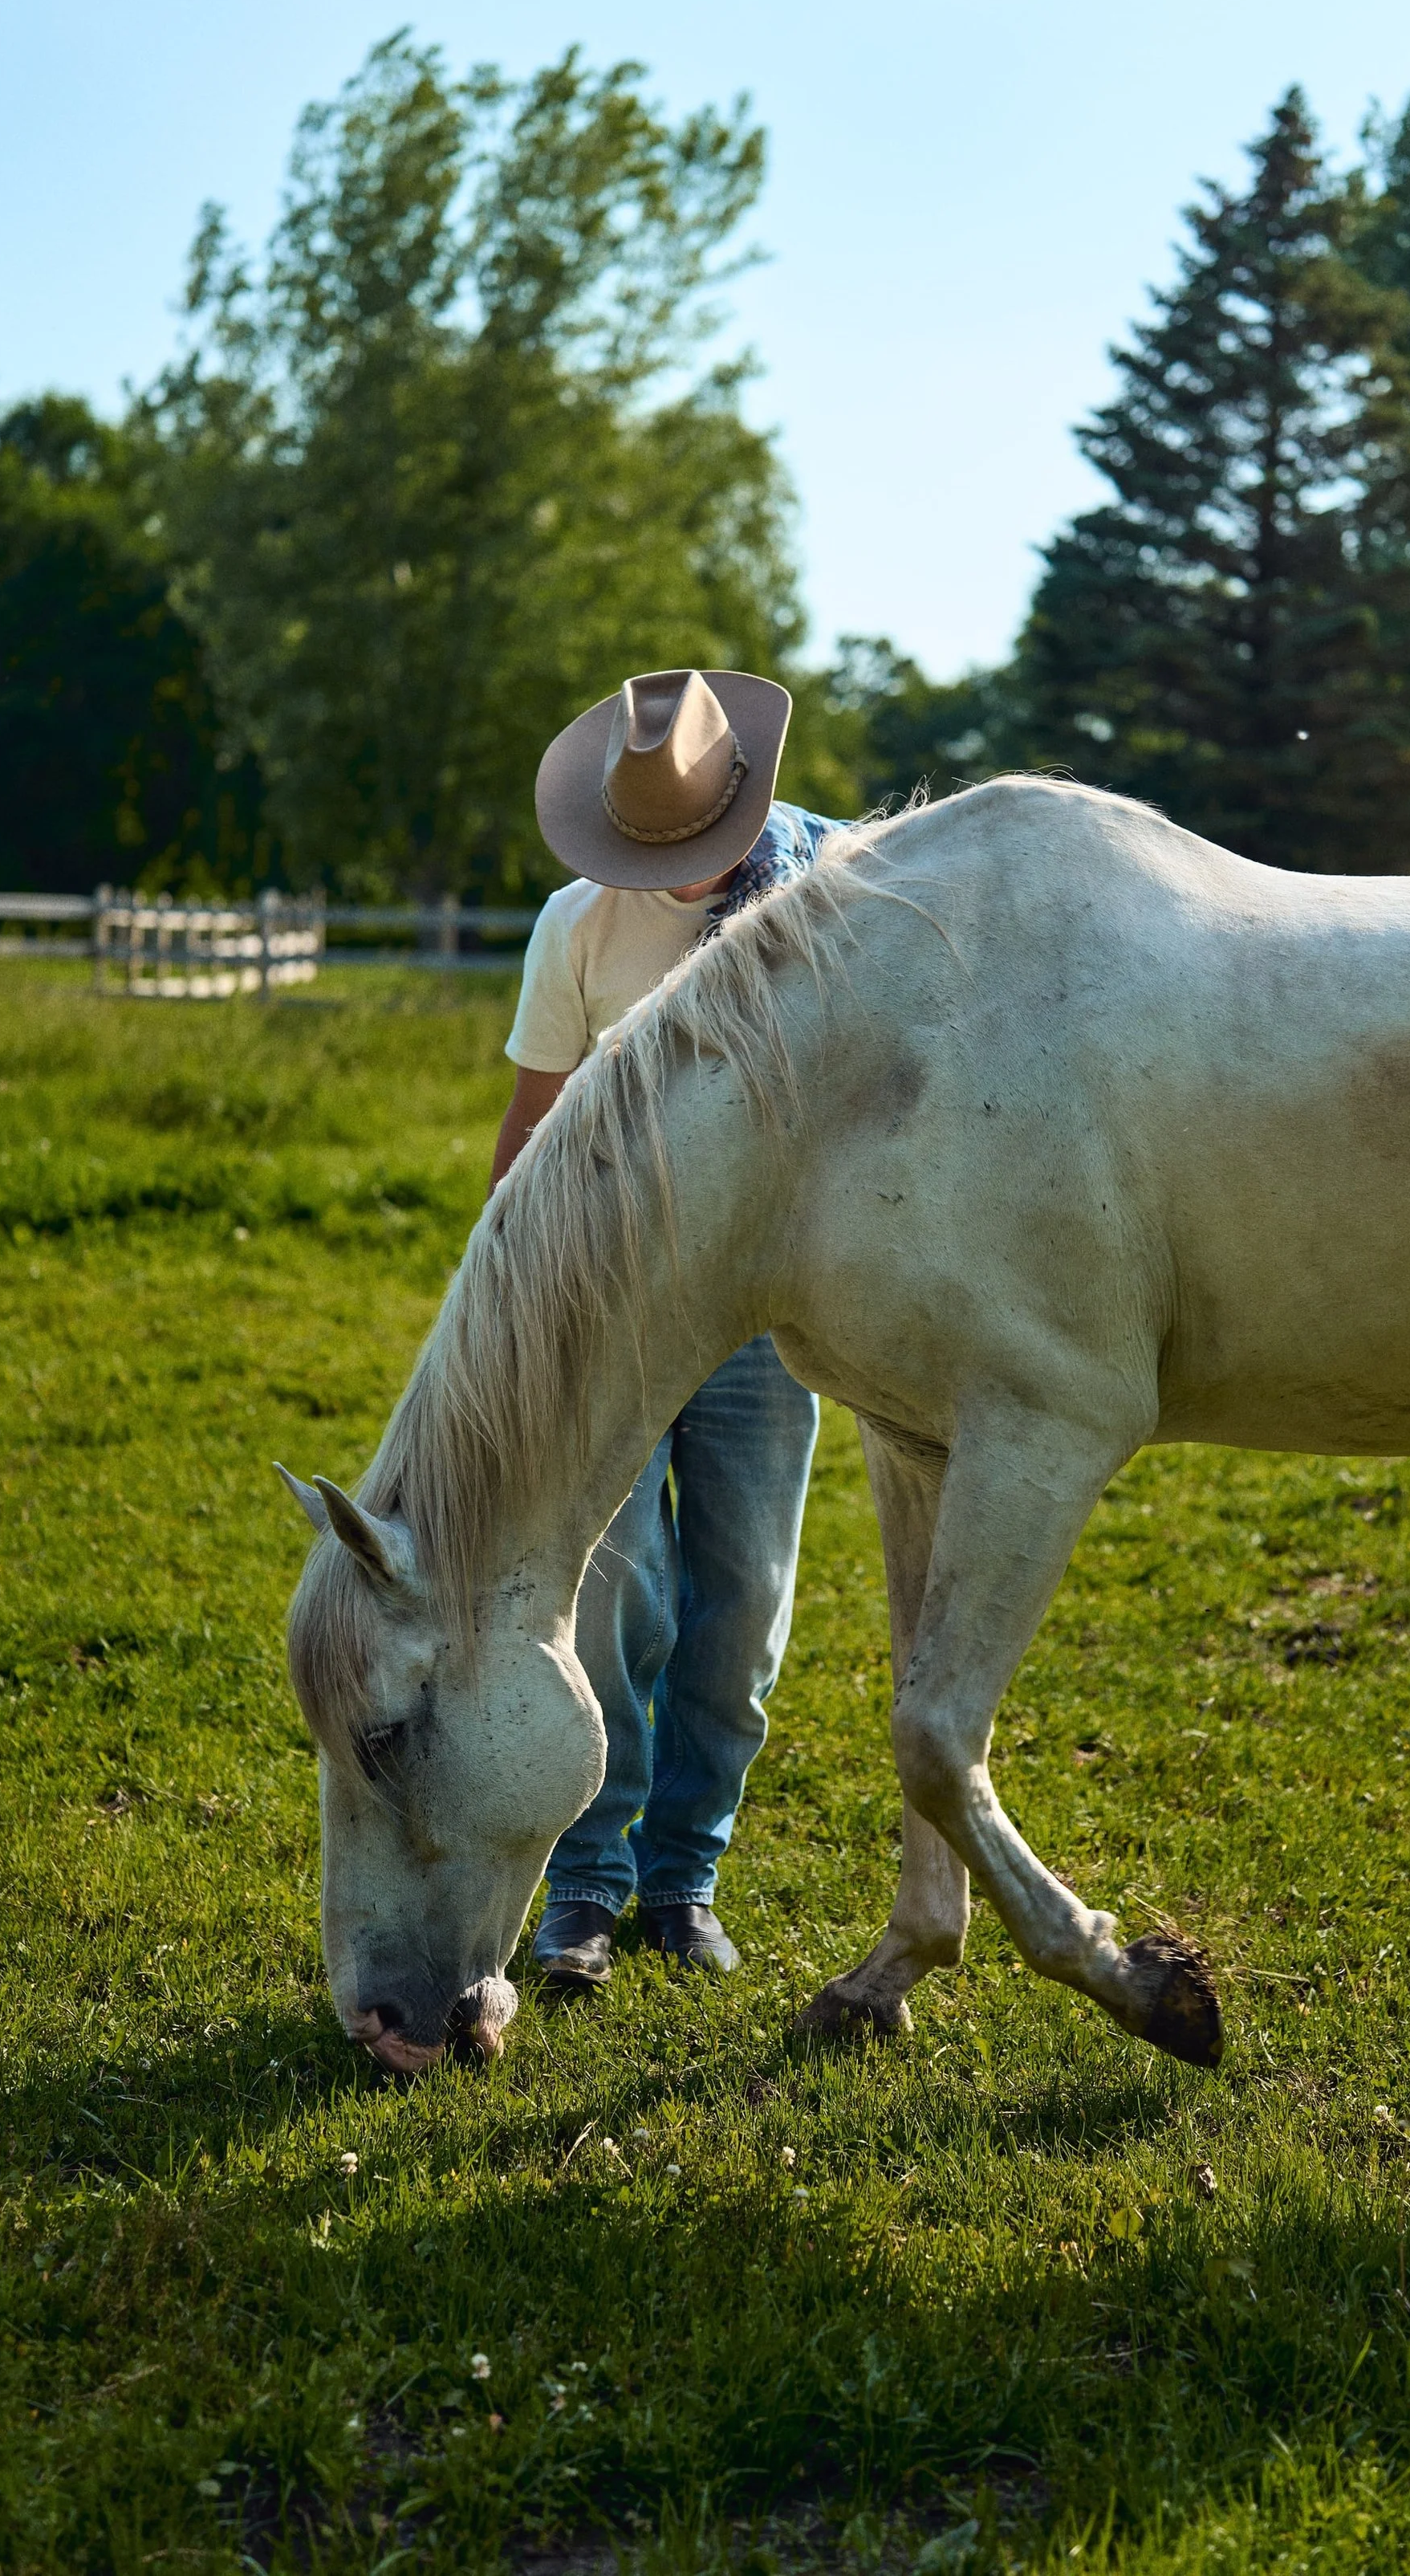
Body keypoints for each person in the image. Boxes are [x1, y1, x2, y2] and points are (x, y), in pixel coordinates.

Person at [490, 667, 839, 1990]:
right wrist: (504, 1314)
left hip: (759, 1312)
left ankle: (686, 1875)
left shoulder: (824, 901)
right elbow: (532, 1127)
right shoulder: (579, 929)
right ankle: (589, 1880)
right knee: (614, 1597)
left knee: (741, 1603)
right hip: (615, 1305)